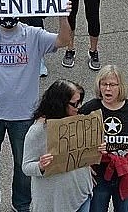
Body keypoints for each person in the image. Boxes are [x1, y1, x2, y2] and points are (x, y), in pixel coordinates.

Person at [0, 11, 72, 212]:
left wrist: (62, 16)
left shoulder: (34, 35)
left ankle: (21, 204)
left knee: (23, 164)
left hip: (24, 115)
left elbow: (64, 40)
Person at [81, 65, 128, 212]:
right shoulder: (90, 108)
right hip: (99, 177)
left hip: (127, 175)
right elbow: (77, 141)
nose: (107, 89)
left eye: (112, 85)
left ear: (121, 86)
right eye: (103, 84)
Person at [22, 80, 95, 212]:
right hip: (54, 202)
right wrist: (40, 166)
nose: (79, 107)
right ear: (60, 104)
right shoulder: (37, 131)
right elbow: (26, 167)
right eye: (74, 104)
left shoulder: (77, 120)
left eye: (80, 102)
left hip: (81, 195)